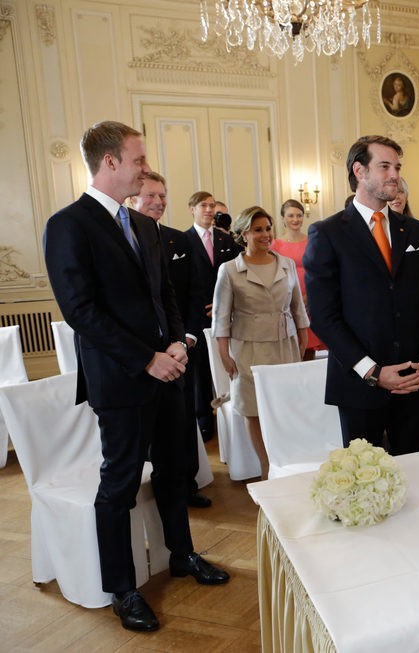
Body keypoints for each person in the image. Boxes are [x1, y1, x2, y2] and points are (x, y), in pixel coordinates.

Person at [43, 121, 229, 633]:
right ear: (110, 164)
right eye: (139, 160)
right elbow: (81, 311)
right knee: (120, 483)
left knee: (176, 472)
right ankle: (122, 588)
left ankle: (183, 556)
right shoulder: (69, 225)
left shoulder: (143, 226)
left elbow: (163, 295)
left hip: (167, 371)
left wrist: (174, 343)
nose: (146, 169)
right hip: (121, 379)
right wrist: (146, 359)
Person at [304, 135, 419, 455]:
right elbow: (324, 316)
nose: (395, 174)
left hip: (413, 381)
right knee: (364, 485)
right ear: (360, 171)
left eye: (397, 166)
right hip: (358, 385)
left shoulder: (416, 231)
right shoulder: (327, 234)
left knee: (415, 477)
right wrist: (373, 371)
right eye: (384, 166)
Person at [130, 172, 212, 508]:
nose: (158, 202)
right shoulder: (122, 241)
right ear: (133, 198)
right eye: (150, 196)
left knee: (184, 419)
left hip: (181, 348)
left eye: (163, 196)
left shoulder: (180, 241)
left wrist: (187, 340)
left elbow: (193, 295)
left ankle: (188, 483)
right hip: (144, 355)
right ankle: (151, 491)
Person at [212, 206, 308, 480]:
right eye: (258, 230)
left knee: (285, 406)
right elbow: (221, 317)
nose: (266, 235)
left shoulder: (286, 263)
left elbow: (297, 307)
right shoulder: (229, 270)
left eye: (267, 228)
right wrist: (224, 354)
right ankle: (266, 467)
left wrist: (301, 340)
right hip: (249, 350)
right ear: (244, 234)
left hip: (284, 344)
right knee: (253, 411)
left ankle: (285, 461)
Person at [185, 191, 241, 441]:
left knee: (230, 363)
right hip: (197, 315)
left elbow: (237, 274)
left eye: (211, 205)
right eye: (203, 206)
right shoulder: (182, 240)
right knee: (201, 371)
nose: (208, 210)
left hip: (228, 313)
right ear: (192, 209)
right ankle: (204, 421)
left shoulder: (226, 240)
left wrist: (222, 304)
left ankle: (235, 413)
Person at [270, 199, 327, 360]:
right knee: (290, 347)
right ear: (283, 218)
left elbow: (321, 270)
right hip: (286, 301)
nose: (296, 219)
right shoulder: (275, 245)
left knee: (309, 346)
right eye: (291, 216)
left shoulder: (312, 240)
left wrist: (309, 298)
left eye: (299, 215)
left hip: (311, 298)